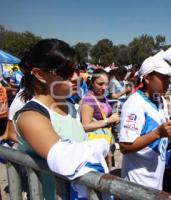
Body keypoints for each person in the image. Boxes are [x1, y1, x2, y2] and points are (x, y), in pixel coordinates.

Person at [14, 39, 111, 200]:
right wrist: (101, 145)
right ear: (40, 74)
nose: (75, 77)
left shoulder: (69, 106)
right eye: (66, 72)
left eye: (77, 69)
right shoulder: (31, 117)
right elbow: (64, 158)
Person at [119, 56, 171, 190]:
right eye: (164, 77)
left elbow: (165, 125)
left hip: (155, 181)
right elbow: (125, 147)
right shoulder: (134, 104)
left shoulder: (161, 101)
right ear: (147, 78)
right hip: (137, 183)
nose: (168, 82)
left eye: (169, 77)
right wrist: (158, 133)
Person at [80, 68, 120, 168]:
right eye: (100, 84)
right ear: (92, 83)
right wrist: (108, 121)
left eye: (106, 84)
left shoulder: (101, 97)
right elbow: (85, 126)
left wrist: (113, 120)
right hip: (95, 146)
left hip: (104, 143)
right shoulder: (89, 100)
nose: (104, 87)